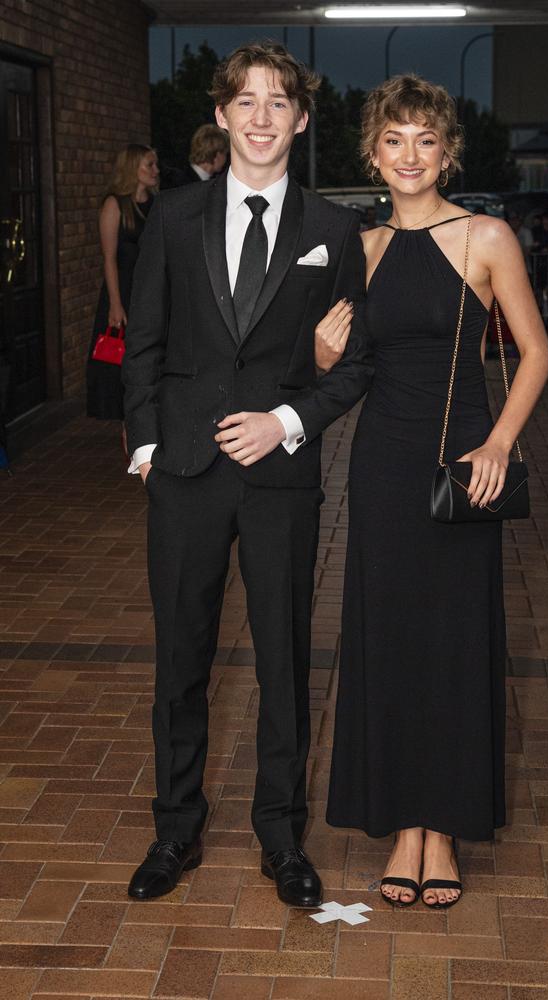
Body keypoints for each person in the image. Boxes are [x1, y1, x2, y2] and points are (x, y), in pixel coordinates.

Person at [122, 41, 372, 908]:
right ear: (223, 115)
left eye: (279, 103)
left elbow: (354, 365)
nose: (262, 117)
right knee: (180, 661)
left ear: (301, 120)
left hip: (278, 479)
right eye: (246, 102)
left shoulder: (333, 231)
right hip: (183, 475)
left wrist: (287, 421)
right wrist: (148, 449)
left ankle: (281, 837)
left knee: (283, 662)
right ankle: (174, 830)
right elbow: (144, 344)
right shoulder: (175, 217)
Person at [321, 75, 548, 909]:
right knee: (390, 637)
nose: (409, 155)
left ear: (445, 150)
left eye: (424, 139)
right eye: (394, 140)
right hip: (382, 465)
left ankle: (443, 828)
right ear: (374, 153)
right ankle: (403, 824)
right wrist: (319, 355)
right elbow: (351, 372)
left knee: (454, 637)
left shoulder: (486, 236)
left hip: (463, 464)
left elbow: (535, 352)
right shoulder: (363, 245)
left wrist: (499, 440)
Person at [86, 144, 158, 423]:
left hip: (149, 290)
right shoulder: (115, 204)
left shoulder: (156, 203)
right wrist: (115, 304)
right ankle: (123, 416)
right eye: (149, 165)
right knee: (117, 356)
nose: (156, 170)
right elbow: (109, 258)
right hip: (123, 291)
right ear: (133, 168)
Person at [163, 123, 230, 187]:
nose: (226, 159)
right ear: (217, 155)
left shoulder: (212, 181)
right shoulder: (181, 182)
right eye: (225, 154)